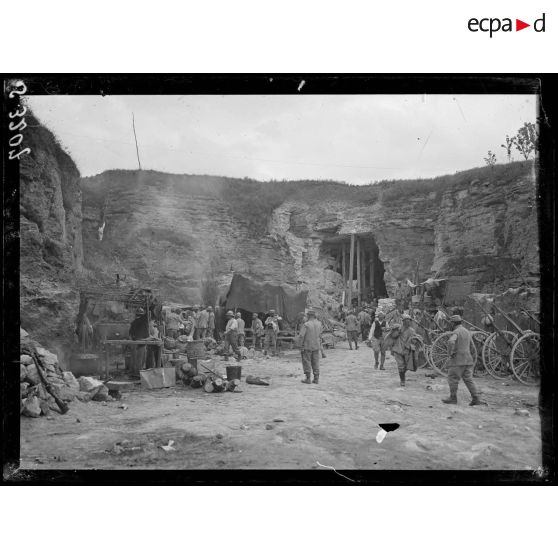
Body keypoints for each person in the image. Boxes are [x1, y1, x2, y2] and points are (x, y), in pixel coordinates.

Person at [442, 315, 486, 406]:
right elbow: (472, 347)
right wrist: (472, 358)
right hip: (468, 360)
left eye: (451, 323)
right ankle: (476, 398)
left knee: (452, 378)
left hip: (457, 360)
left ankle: (453, 398)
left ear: (453, 323)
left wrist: (450, 353)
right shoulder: (467, 331)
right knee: (469, 380)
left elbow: (451, 341)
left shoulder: (456, 331)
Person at [389, 313, 417, 387]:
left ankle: (402, 375)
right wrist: (397, 332)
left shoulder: (412, 330)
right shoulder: (398, 328)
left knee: (407, 366)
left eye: (409, 321)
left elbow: (415, 341)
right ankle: (402, 380)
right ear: (403, 321)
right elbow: (393, 336)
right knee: (401, 365)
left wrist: (413, 342)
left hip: (407, 350)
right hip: (397, 349)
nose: (408, 322)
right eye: (406, 321)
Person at [299, 310, 323, 384]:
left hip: (307, 345)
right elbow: (320, 335)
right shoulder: (319, 323)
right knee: (315, 362)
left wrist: (300, 345)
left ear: (308, 316)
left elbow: (301, 336)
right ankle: (316, 379)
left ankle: (308, 378)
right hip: (316, 345)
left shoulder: (306, 324)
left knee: (307, 361)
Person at [129, 308, 149, 375]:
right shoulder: (143, 321)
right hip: (142, 341)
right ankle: (138, 373)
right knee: (140, 358)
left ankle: (134, 371)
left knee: (135, 358)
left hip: (135, 341)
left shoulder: (133, 322)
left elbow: (130, 333)